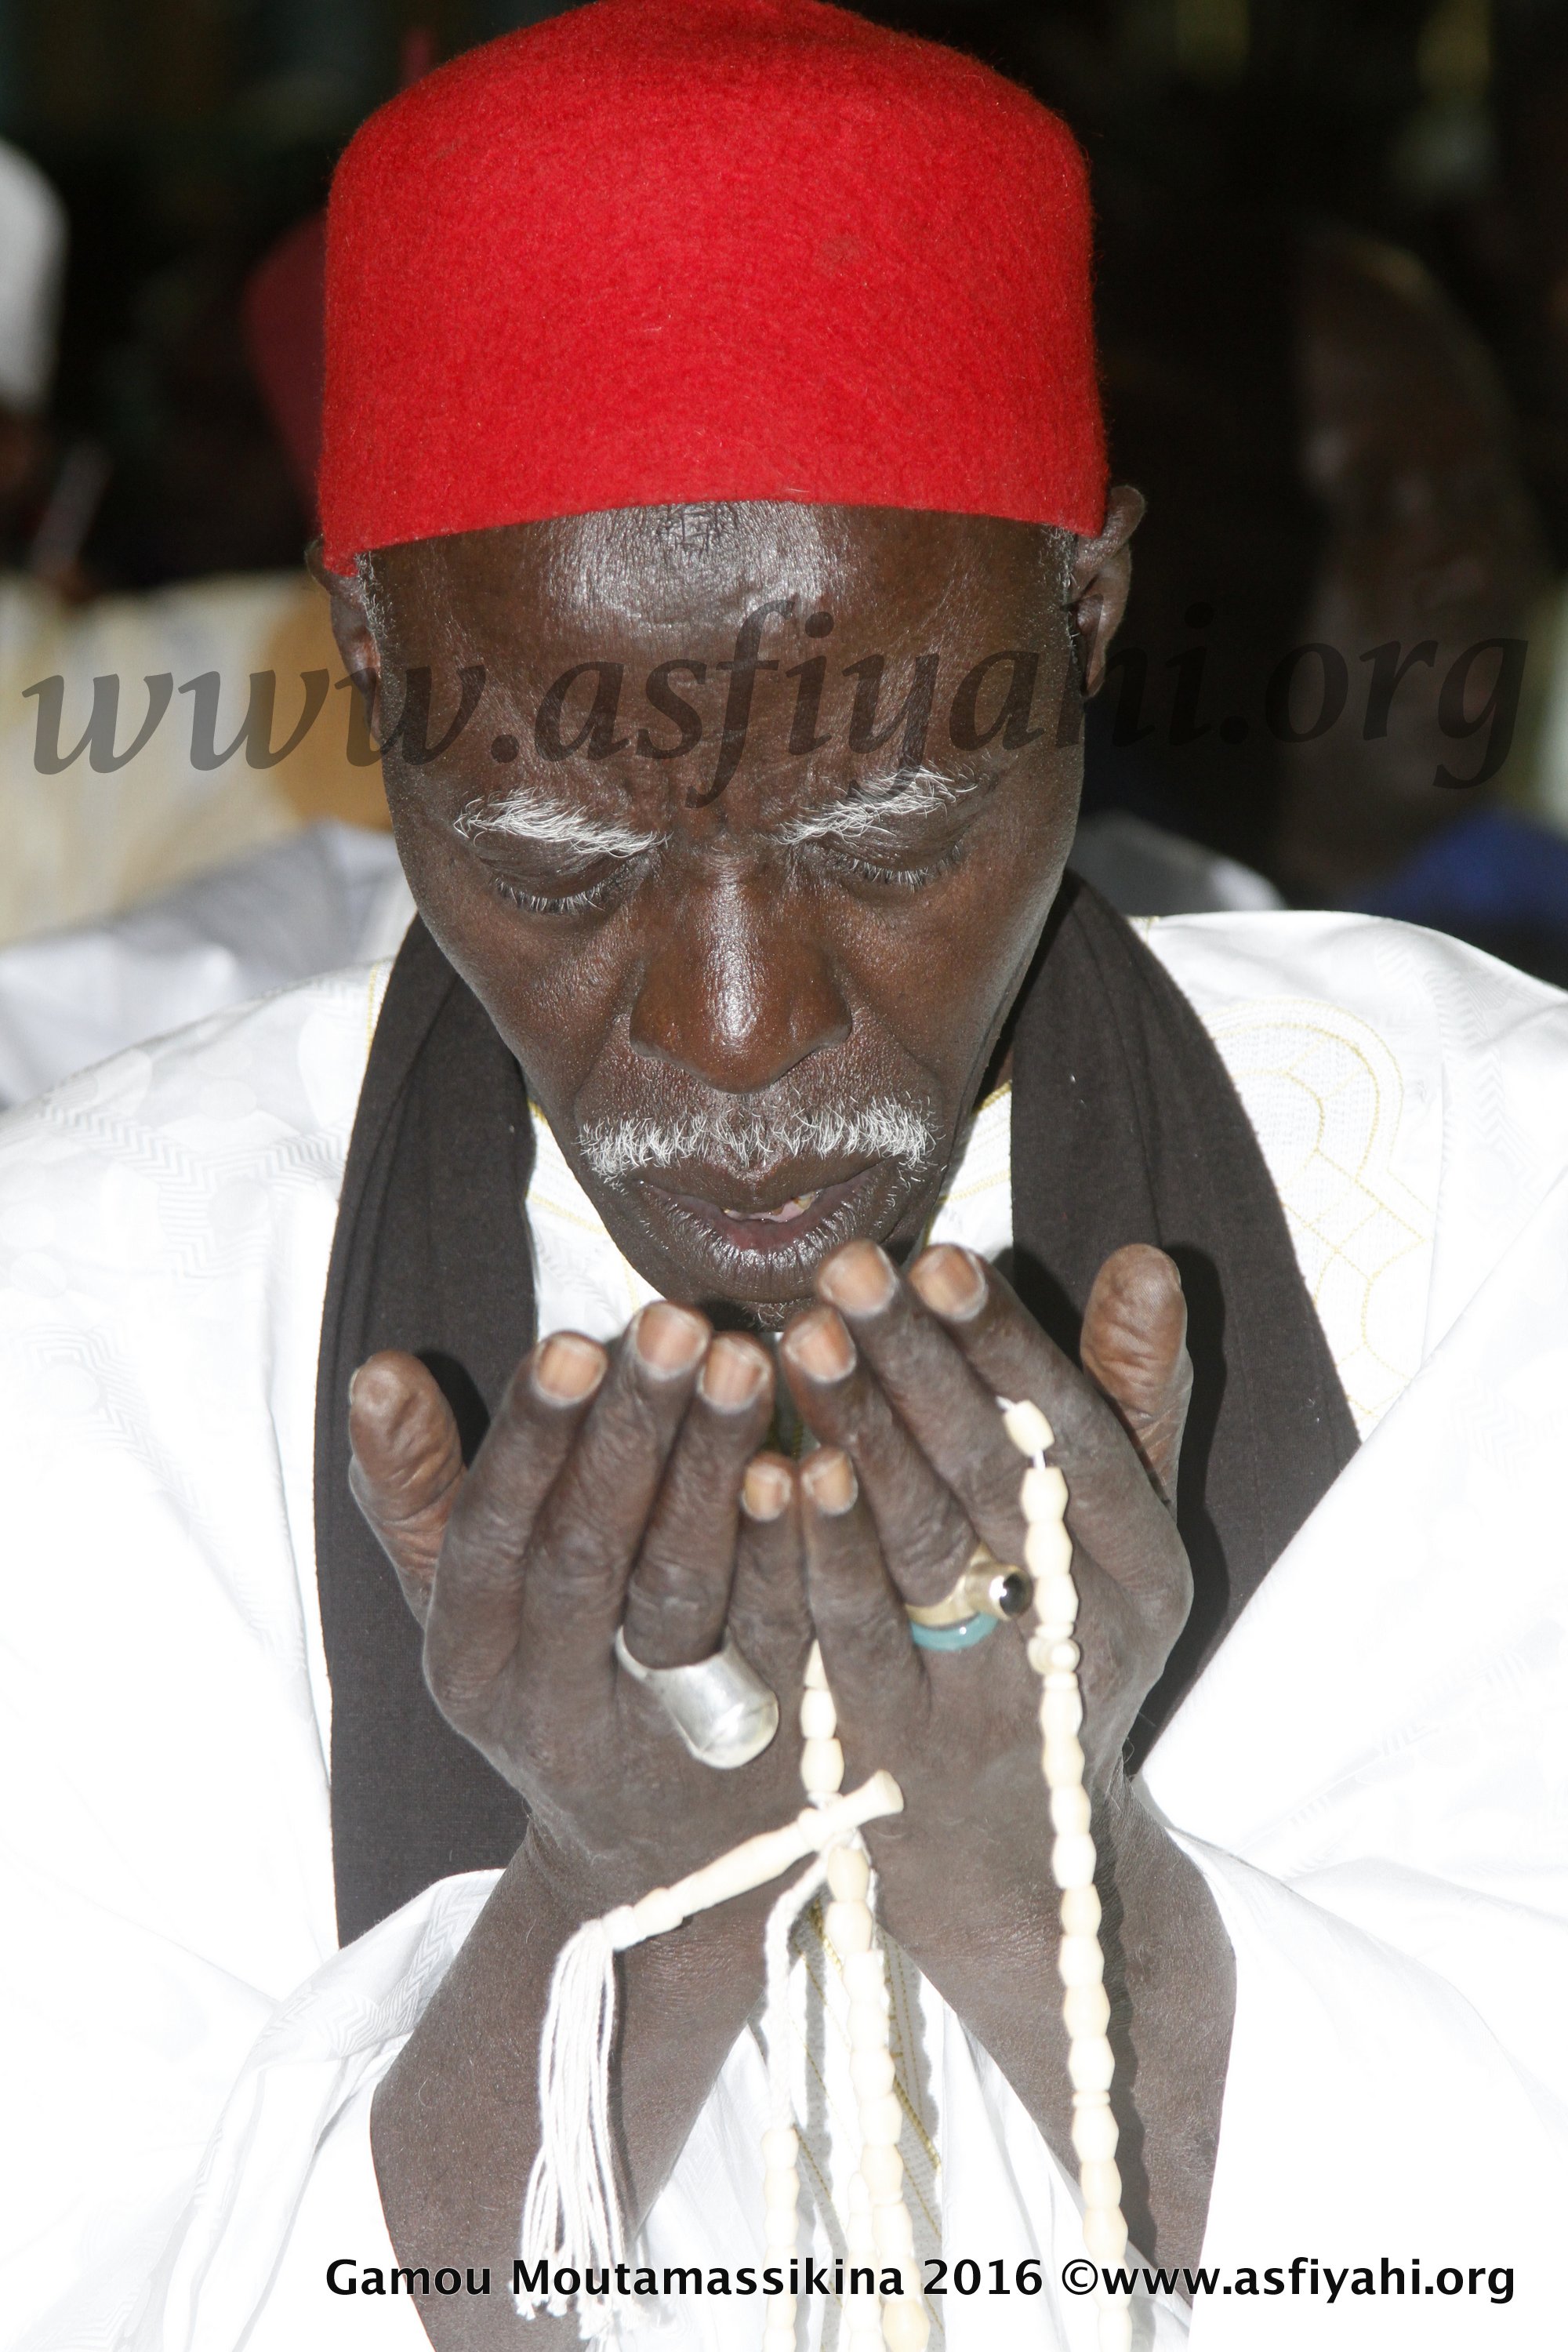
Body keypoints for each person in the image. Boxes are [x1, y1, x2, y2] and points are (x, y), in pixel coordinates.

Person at [3, 6, 1565, 2350]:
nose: (734, 1028)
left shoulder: (1486, 1198)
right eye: (548, 855)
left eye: (897, 831)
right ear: (368, 670)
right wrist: (614, 1905)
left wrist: (1052, 1895)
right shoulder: (96, 1301)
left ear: (1093, 625)